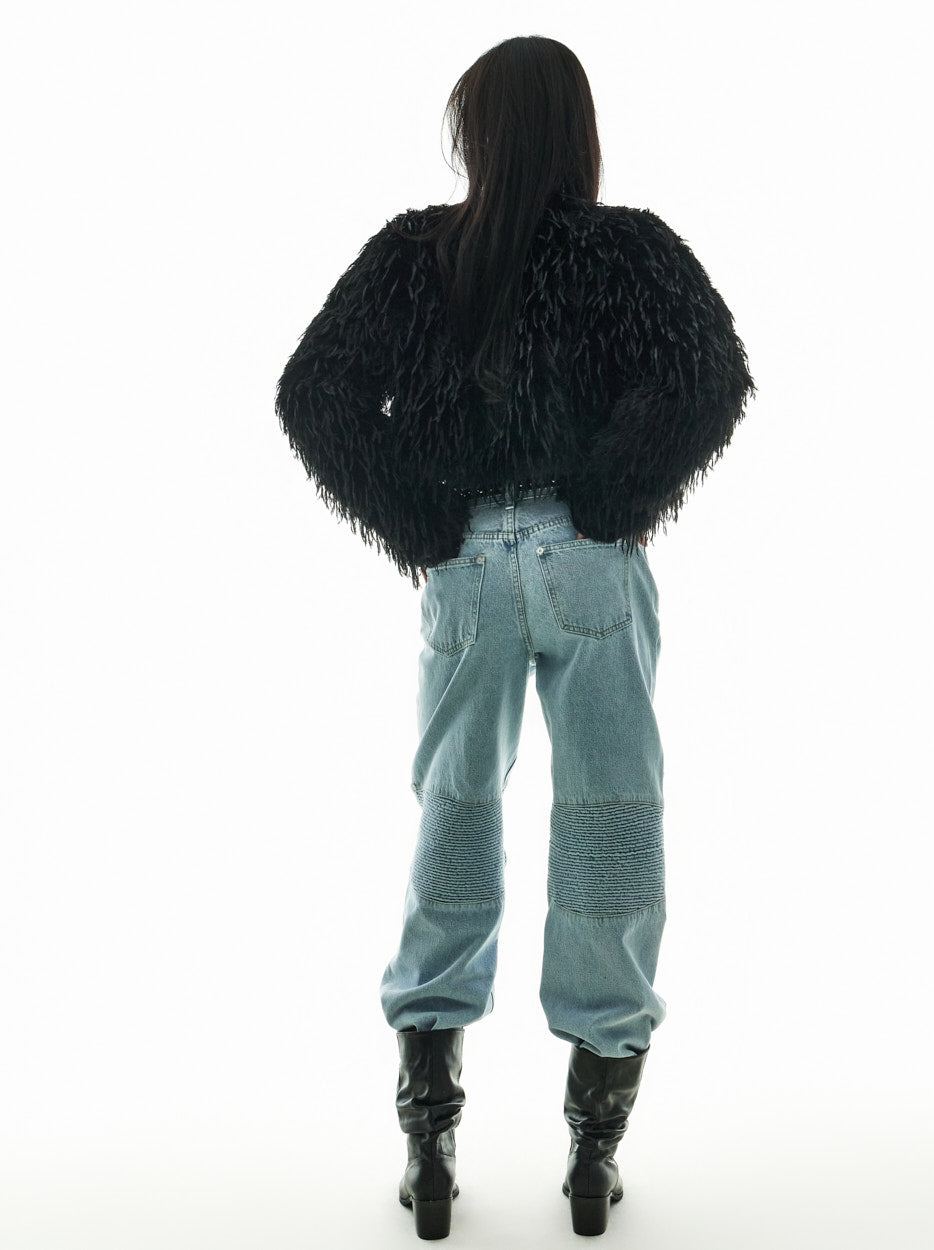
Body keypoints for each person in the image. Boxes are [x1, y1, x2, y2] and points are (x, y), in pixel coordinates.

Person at [274, 34, 756, 1241]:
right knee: (609, 828)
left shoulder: (414, 253)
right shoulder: (629, 249)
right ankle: (593, 1155)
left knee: (454, 817)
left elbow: (313, 391)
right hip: (587, 562)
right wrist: (608, 498)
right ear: (575, 132)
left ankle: (428, 1142)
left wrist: (422, 517)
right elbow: (709, 374)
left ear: (476, 133)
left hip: (467, 572)